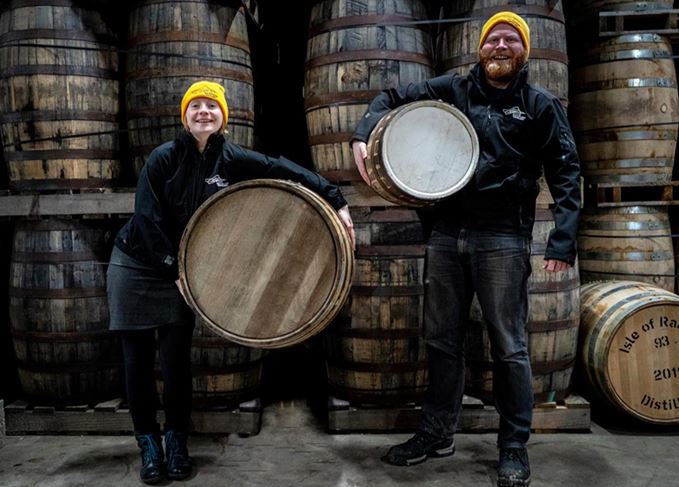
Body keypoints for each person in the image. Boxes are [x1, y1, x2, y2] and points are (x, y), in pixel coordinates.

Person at [351, 11, 580, 487]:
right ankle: (436, 433)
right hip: (447, 231)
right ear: (480, 47)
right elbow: (392, 96)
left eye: (510, 40)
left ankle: (513, 446)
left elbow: (566, 170)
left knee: (509, 347)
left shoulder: (539, 105)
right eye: (492, 38)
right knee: (440, 338)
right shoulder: (457, 89)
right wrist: (363, 131)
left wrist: (563, 237)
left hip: (503, 237)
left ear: (525, 51)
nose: (500, 46)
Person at [107, 80, 355, 484]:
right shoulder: (163, 159)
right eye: (195, 106)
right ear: (184, 117)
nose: (203, 112)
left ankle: (177, 442)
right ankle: (148, 445)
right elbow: (149, 223)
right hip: (137, 263)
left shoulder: (232, 158)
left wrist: (335, 197)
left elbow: (280, 167)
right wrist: (177, 272)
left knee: (174, 363)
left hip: (183, 270)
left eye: (212, 106)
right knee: (136, 364)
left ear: (224, 119)